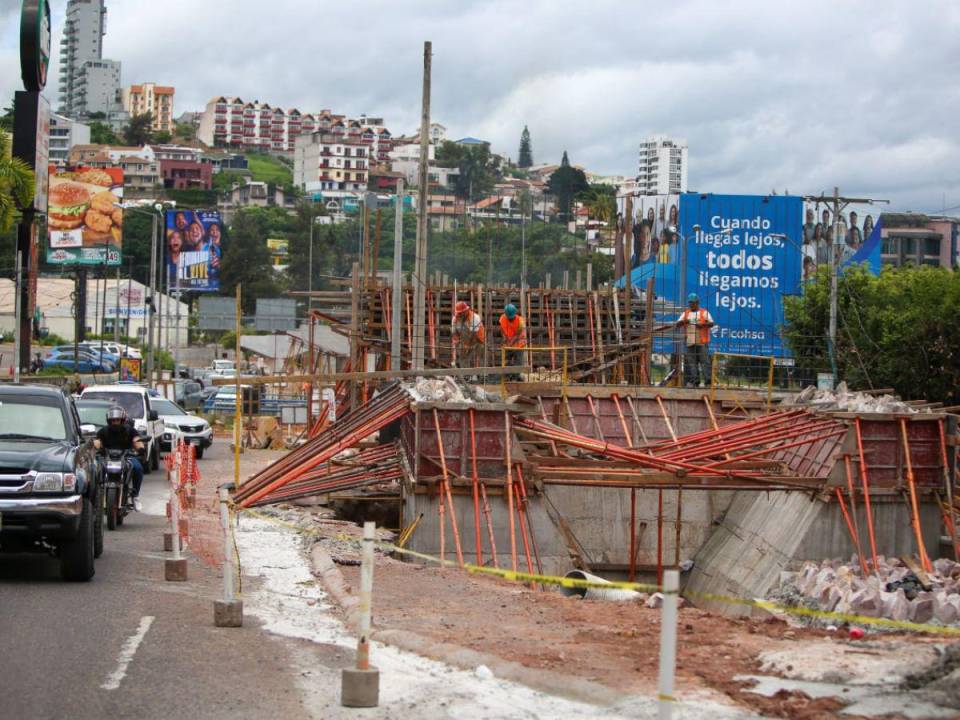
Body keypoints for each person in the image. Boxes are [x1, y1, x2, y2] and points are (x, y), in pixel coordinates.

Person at [93, 405, 144, 511]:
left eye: (117, 420)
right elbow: (97, 441)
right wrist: (96, 446)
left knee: (138, 468)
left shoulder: (130, 430)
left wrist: (140, 448)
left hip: (126, 457)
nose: (115, 422)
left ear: (122, 420)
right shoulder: (103, 431)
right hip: (107, 458)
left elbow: (136, 439)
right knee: (93, 469)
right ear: (109, 420)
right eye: (113, 420)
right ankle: (95, 495)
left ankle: (135, 496)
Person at [675, 293, 714, 387]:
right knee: (692, 363)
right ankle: (695, 381)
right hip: (690, 341)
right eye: (690, 303)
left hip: (701, 342)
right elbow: (678, 324)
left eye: (693, 303)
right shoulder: (686, 313)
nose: (691, 305)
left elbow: (712, 323)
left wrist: (703, 325)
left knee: (705, 362)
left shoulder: (704, 312)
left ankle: (708, 382)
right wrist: (684, 321)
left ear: (697, 302)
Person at [451, 301, 486, 372]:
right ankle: (466, 374)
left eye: (461, 313)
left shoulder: (475, 318)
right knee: (462, 356)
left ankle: (483, 375)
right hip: (464, 340)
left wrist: (467, 346)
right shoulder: (455, 319)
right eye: (459, 313)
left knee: (482, 356)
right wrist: (457, 342)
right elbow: (454, 333)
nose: (460, 314)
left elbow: (473, 335)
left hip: (478, 340)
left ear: (466, 310)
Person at [498, 303, 527, 381]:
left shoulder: (520, 321)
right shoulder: (502, 318)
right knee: (506, 360)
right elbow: (502, 330)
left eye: (511, 317)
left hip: (519, 343)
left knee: (518, 361)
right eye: (509, 317)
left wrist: (512, 342)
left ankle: (515, 377)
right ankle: (507, 377)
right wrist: (504, 338)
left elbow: (518, 335)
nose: (510, 319)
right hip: (508, 342)